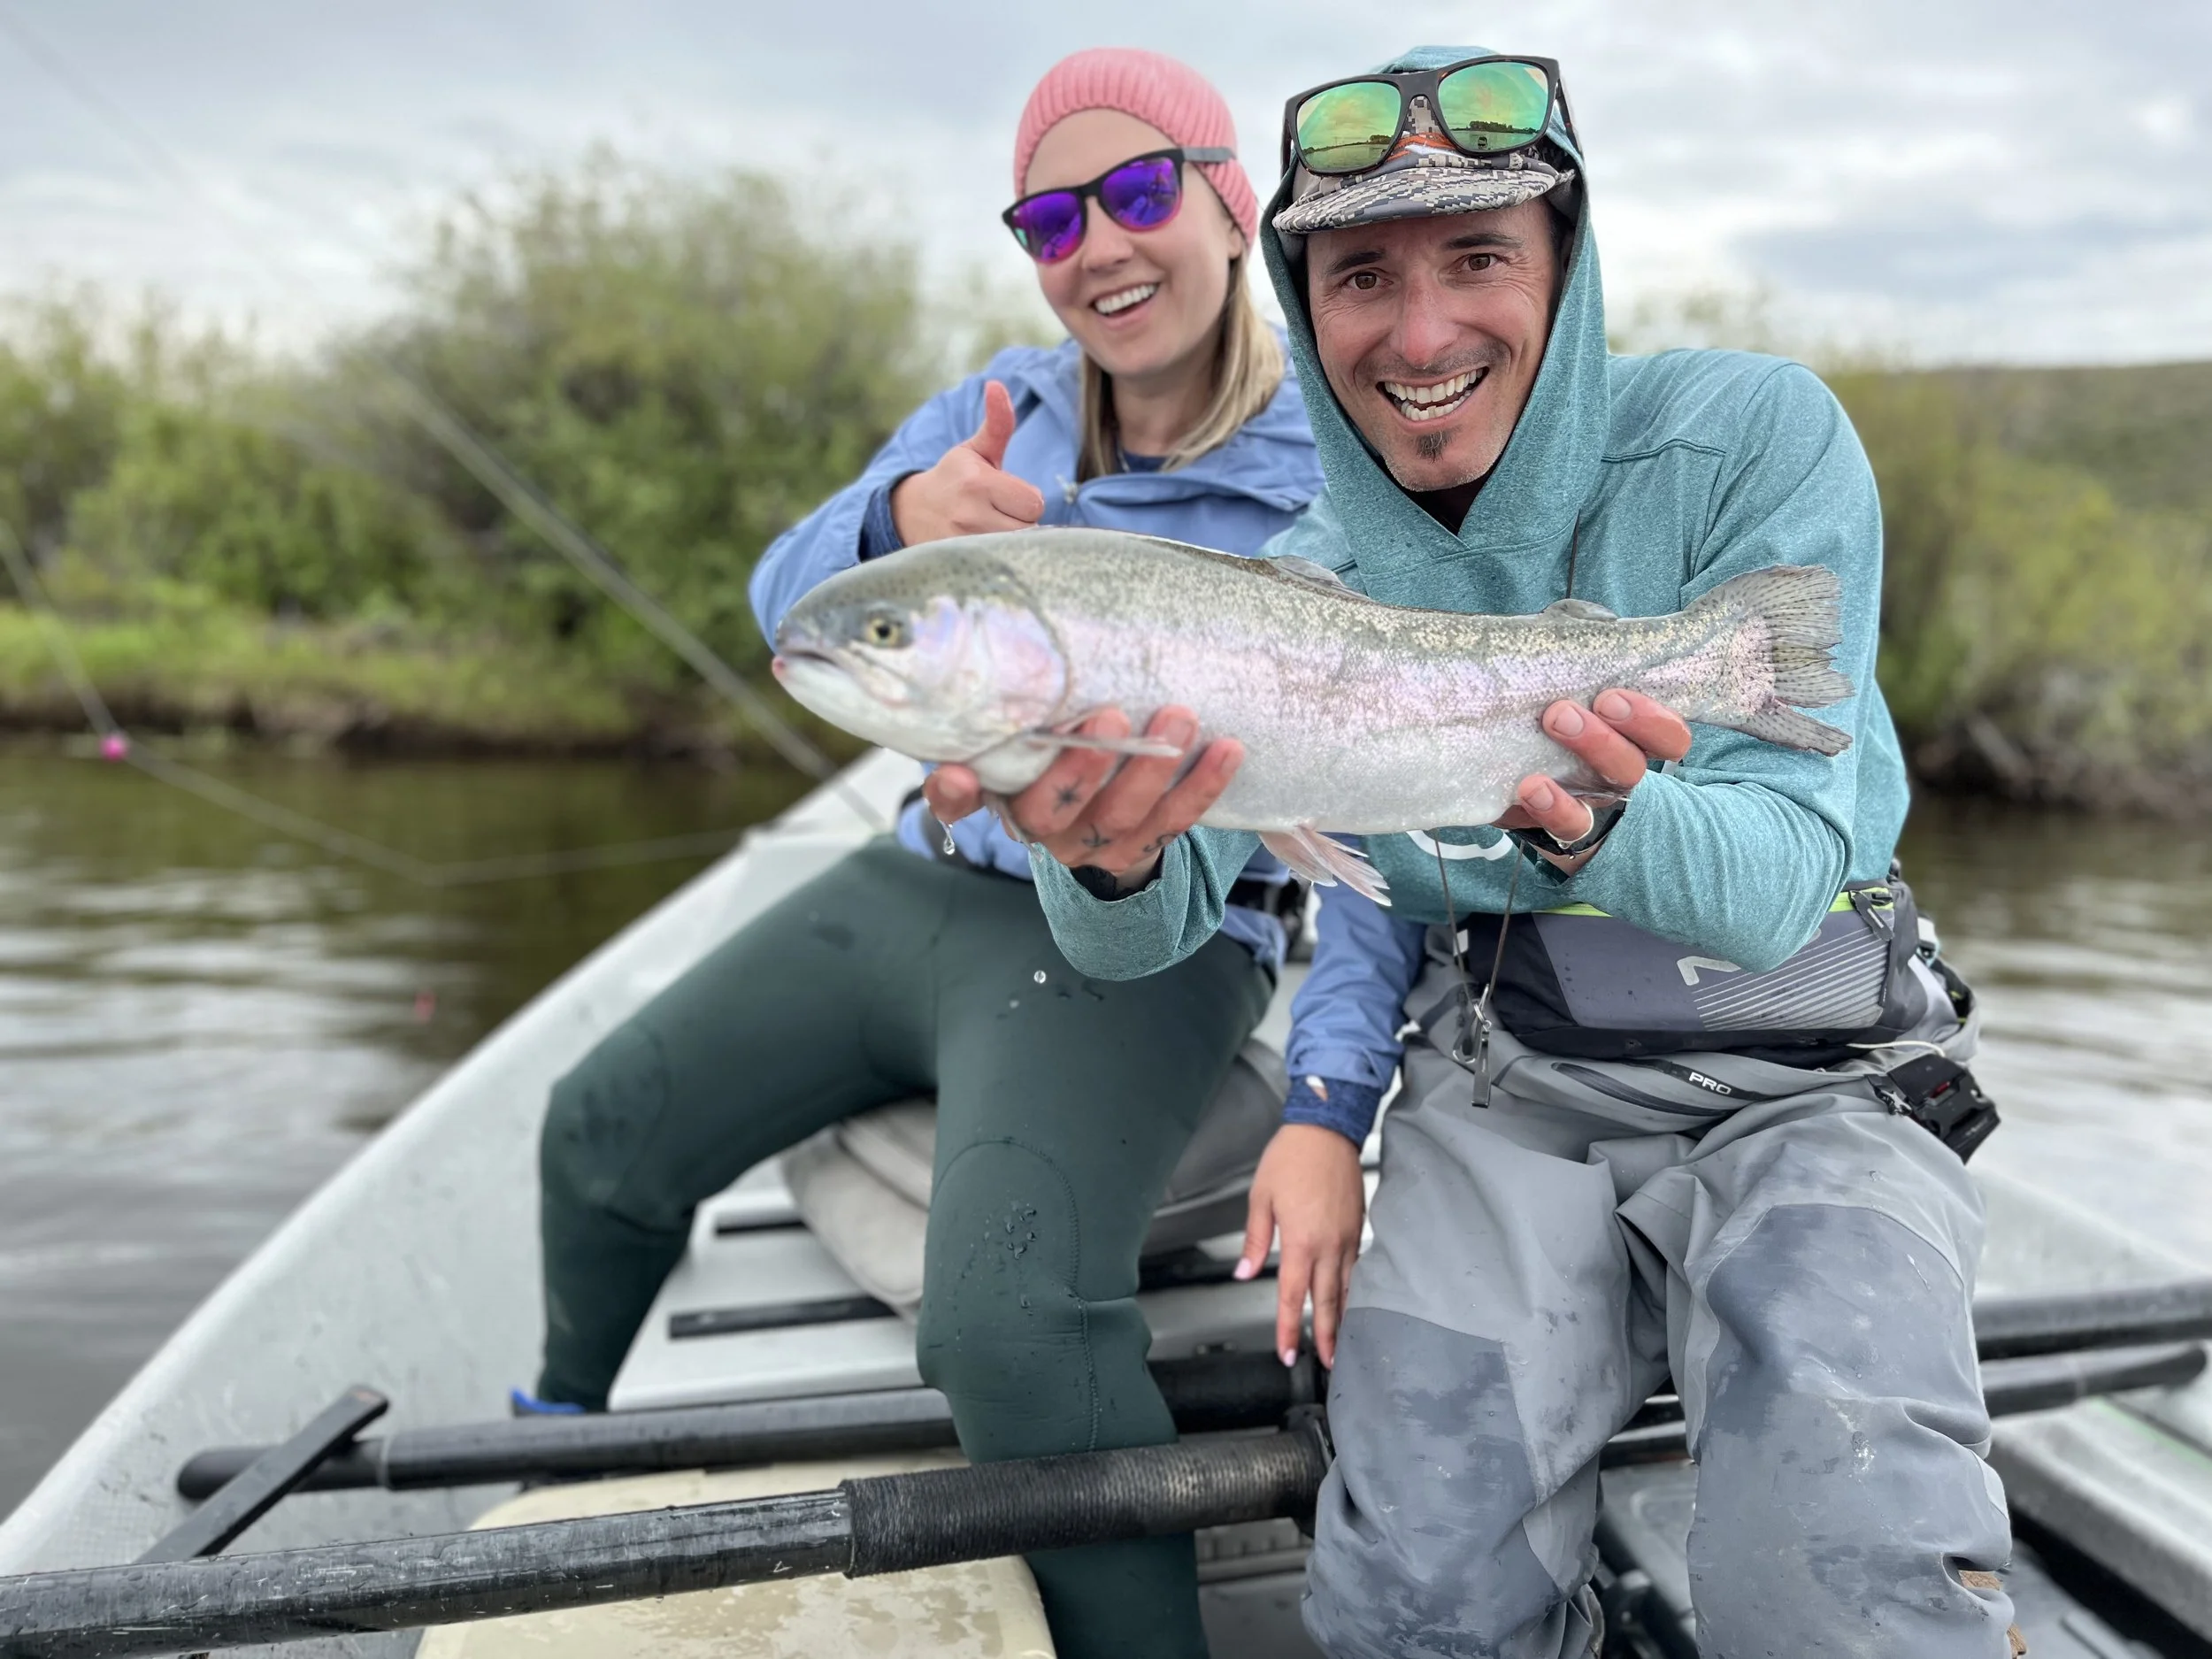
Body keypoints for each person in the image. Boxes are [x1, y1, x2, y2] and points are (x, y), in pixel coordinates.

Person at [926, 44, 2018, 1658]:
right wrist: (1105, 870)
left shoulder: (1755, 435)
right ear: (1306, 308)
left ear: (1566, 272)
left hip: (1819, 1074)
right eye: (1363, 275)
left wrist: (1595, 808)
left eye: (1480, 258)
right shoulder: (1300, 586)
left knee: (1853, 1588)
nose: (1422, 333)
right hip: (1505, 1079)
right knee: (1411, 1608)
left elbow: (1791, 872)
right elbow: (1187, 918)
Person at [532, 48, 1325, 1658]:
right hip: (921, 882)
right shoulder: (998, 410)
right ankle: (550, 1466)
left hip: (1153, 937)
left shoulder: (1328, 468)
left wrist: (1329, 1099)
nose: (1097, 243)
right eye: (1049, 216)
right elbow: (787, 608)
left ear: (1233, 201)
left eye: (1141, 191)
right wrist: (896, 518)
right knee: (596, 1127)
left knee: (1012, 1328)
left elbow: (1375, 795)